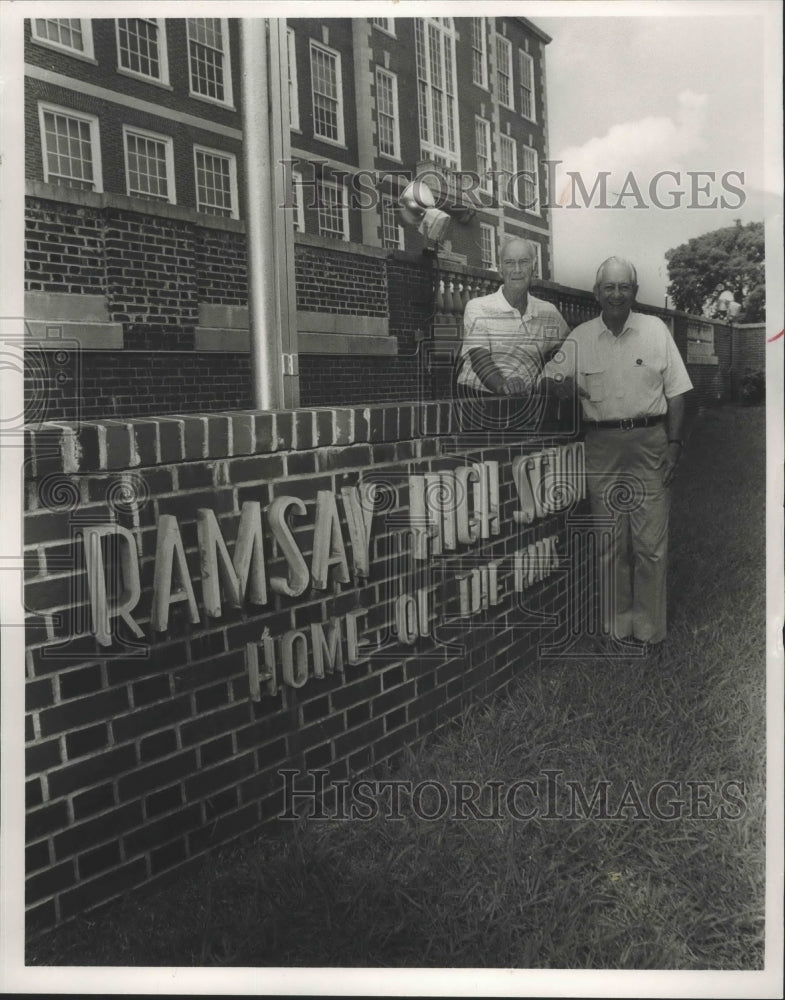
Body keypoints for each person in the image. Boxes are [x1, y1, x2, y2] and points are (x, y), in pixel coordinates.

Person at [541, 257, 693, 650]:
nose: (616, 294)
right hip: (602, 446)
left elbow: (677, 392)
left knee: (649, 544)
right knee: (609, 541)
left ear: (635, 293)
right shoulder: (581, 336)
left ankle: (648, 631)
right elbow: (551, 377)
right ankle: (615, 628)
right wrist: (562, 386)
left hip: (649, 443)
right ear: (597, 293)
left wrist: (674, 444)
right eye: (608, 287)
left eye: (624, 287)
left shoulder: (656, 330)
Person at [457, 236, 569, 427]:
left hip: (526, 406)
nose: (517, 270)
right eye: (509, 263)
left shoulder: (548, 312)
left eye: (523, 262)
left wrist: (553, 378)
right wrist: (503, 385)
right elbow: (480, 360)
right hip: (479, 404)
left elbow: (568, 350)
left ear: (533, 267)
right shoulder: (478, 307)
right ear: (501, 269)